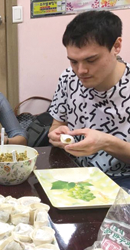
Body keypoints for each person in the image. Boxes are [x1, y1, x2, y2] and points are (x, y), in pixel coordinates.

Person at [48, 10, 130, 188]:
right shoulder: (68, 78)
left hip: (122, 178)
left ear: (116, 46)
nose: (81, 71)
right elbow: (56, 125)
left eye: (91, 60)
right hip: (75, 170)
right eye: (73, 61)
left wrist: (106, 142)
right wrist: (58, 135)